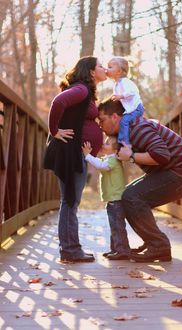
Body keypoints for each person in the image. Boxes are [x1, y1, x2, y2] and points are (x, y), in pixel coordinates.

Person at [98, 98, 182, 262]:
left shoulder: (137, 129)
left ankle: (159, 247)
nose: (100, 125)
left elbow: (162, 155)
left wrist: (131, 156)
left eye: (102, 120)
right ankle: (151, 242)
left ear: (115, 117)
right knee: (128, 196)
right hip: (172, 171)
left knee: (132, 197)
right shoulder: (128, 130)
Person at [43, 56, 107, 263]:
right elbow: (58, 102)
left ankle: (71, 249)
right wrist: (54, 131)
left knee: (70, 200)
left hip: (75, 153)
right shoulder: (81, 90)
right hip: (70, 153)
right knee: (70, 201)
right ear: (90, 71)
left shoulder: (85, 92)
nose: (104, 69)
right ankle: (70, 250)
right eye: (100, 66)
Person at [82, 136, 130, 260]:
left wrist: (87, 155)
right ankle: (115, 249)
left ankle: (122, 250)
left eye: (107, 143)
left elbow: (101, 165)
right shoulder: (109, 158)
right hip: (112, 200)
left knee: (118, 227)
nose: (103, 144)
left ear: (115, 151)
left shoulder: (113, 161)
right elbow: (100, 162)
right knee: (114, 226)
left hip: (117, 200)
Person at [106, 56, 144, 145]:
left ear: (119, 71)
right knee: (123, 122)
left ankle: (124, 143)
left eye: (110, 67)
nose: (106, 69)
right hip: (129, 110)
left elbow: (133, 92)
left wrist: (121, 96)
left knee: (124, 121)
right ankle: (123, 139)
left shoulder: (125, 82)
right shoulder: (116, 85)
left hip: (136, 108)